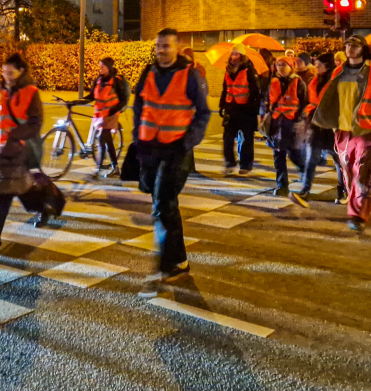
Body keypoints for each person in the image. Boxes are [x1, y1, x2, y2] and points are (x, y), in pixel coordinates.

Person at [132, 28, 211, 297]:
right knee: (165, 205)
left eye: (166, 45)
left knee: (162, 204)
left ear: (177, 48)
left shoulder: (189, 75)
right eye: (158, 45)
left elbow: (203, 113)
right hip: (150, 148)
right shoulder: (149, 72)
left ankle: (163, 267)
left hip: (176, 150)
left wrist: (187, 142)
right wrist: (137, 139)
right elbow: (138, 107)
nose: (161, 50)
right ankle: (179, 261)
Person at [0, 53, 61, 250]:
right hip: (6, 150)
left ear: (21, 71)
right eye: (4, 71)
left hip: (23, 149)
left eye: (10, 72)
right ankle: (47, 207)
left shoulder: (31, 92)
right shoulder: (5, 90)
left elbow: (35, 123)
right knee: (22, 189)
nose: (6, 75)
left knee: (5, 192)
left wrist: (15, 135)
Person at [312, 34, 371, 232]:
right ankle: (356, 208)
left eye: (355, 46)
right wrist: (330, 123)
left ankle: (359, 214)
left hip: (367, 131)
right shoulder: (338, 72)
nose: (350, 49)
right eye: (347, 45)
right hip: (343, 130)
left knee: (364, 173)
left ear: (362, 49)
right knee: (348, 173)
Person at [266, 56, 309, 206]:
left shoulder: (299, 82)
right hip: (277, 123)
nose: (281, 67)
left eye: (284, 65)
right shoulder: (273, 82)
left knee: (295, 154)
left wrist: (299, 118)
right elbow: (267, 101)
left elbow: (305, 102)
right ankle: (282, 185)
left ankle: (306, 176)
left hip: (292, 124)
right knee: (278, 155)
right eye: (278, 65)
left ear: (291, 66)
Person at [299, 53, 341, 202]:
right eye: (315, 63)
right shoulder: (314, 80)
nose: (316, 66)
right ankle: (305, 190)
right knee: (311, 159)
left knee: (339, 160)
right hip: (315, 124)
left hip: (331, 126)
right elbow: (310, 99)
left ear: (327, 65)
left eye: (319, 64)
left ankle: (342, 190)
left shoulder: (336, 81)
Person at [80, 57, 130, 177]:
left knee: (102, 139)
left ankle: (98, 169)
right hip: (99, 116)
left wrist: (113, 110)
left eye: (102, 66)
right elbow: (92, 96)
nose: (100, 68)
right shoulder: (98, 79)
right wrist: (77, 101)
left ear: (109, 67)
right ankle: (115, 168)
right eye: (100, 66)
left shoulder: (116, 81)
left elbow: (123, 99)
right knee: (107, 141)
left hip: (111, 115)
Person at [219, 46, 260, 176]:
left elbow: (255, 91)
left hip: (246, 109)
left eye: (237, 53)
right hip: (231, 107)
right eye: (232, 53)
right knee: (227, 138)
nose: (234, 56)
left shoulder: (248, 70)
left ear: (242, 56)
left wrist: (255, 109)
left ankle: (246, 165)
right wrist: (222, 105)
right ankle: (230, 162)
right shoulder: (228, 70)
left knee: (247, 138)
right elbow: (225, 88)